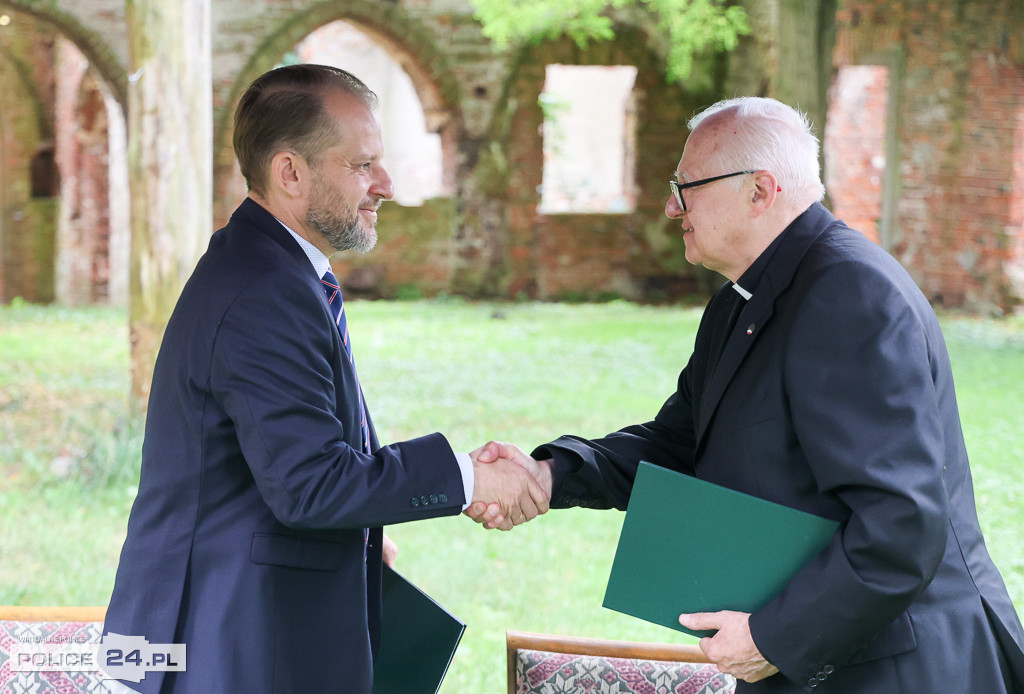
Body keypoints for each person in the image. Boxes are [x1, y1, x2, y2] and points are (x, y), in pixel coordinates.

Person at [468, 96, 1024, 692]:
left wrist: (774, 637)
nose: (669, 207)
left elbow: (903, 522)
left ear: (760, 190)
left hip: (900, 667)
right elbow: (680, 443)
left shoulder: (848, 294)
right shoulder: (746, 296)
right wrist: (553, 475)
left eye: (687, 188)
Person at [102, 64, 547, 694]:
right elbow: (309, 485)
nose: (385, 185)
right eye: (362, 165)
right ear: (291, 172)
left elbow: (278, 459)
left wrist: (362, 538)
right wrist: (469, 475)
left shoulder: (272, 268)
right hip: (220, 642)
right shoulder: (263, 290)